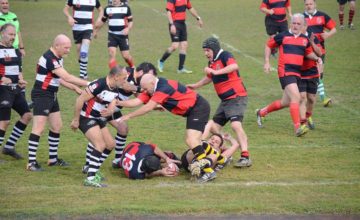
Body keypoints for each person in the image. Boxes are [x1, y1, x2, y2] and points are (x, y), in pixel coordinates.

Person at [112, 74, 215, 183]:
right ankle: (218, 161)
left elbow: (148, 107)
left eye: (146, 88)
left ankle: (208, 171)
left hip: (198, 107)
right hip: (194, 110)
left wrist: (129, 116)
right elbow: (136, 102)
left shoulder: (163, 87)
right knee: (196, 142)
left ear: (152, 83)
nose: (144, 91)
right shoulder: (152, 89)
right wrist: (119, 102)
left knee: (191, 140)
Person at [187, 37, 252, 168]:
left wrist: (215, 71)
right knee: (212, 126)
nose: (206, 53)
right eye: (204, 51)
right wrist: (196, 85)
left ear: (214, 49)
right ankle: (227, 150)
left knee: (235, 125)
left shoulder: (224, 55)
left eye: (208, 50)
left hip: (236, 97)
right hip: (225, 101)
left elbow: (234, 66)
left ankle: (245, 156)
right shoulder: (212, 61)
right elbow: (209, 77)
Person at [26, 34, 88, 172]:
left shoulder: (57, 58)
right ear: (57, 46)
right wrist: (90, 83)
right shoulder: (50, 58)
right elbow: (66, 76)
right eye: (66, 47)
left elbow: (58, 79)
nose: (68, 50)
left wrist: (75, 88)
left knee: (56, 126)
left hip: (51, 94)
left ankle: (52, 160)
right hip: (42, 95)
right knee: (38, 128)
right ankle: (31, 163)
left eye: (69, 47)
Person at [82, 62, 158, 173]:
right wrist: (142, 88)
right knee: (98, 136)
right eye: (147, 76)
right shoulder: (127, 73)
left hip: (114, 107)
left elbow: (139, 98)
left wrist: (154, 105)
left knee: (123, 129)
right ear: (140, 72)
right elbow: (125, 86)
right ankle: (88, 164)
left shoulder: (138, 82)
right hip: (104, 107)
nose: (148, 79)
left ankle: (117, 160)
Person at [257, 13, 323, 137]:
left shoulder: (304, 39)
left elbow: (308, 53)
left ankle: (261, 112)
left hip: (297, 74)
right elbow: (268, 45)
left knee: (285, 102)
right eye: (293, 23)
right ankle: (298, 128)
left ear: (303, 25)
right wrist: (266, 62)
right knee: (296, 98)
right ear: (290, 23)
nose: (295, 26)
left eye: (298, 24)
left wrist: (317, 58)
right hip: (285, 71)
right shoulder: (283, 36)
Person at [71, 65, 128, 187]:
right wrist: (75, 120)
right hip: (86, 118)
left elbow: (113, 101)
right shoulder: (99, 84)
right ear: (116, 77)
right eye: (124, 78)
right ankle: (90, 178)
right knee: (100, 145)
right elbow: (80, 100)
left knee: (111, 144)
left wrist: (110, 111)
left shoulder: (114, 88)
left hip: (99, 119)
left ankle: (91, 169)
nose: (125, 81)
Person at [0, 24, 32, 159]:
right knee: (4, 122)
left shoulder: (16, 51)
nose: (13, 37)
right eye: (10, 34)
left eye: (14, 35)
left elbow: (19, 70)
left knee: (27, 116)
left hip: (16, 90)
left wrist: (21, 81)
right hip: (2, 90)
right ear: (2, 34)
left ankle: (9, 147)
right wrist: (1, 78)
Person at [303, 0, 337, 107]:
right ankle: (323, 98)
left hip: (319, 49)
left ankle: (314, 94)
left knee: (319, 74)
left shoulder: (322, 16)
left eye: (311, 4)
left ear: (315, 4)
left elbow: (334, 29)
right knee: (315, 73)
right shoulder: (301, 17)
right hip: (306, 50)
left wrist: (327, 35)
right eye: (307, 4)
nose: (309, 6)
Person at [157, 0, 203, 74]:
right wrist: (172, 24)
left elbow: (190, 8)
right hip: (174, 24)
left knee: (184, 45)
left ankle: (180, 68)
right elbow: (168, 12)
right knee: (175, 46)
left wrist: (198, 18)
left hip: (182, 24)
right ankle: (161, 61)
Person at [63, 0, 103, 79]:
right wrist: (69, 17)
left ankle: (82, 76)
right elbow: (65, 9)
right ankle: (84, 72)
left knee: (84, 49)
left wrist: (99, 18)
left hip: (88, 27)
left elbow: (101, 10)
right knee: (79, 50)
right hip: (76, 28)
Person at [94, 0, 134, 68]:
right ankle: (114, 74)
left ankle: (132, 67)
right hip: (112, 35)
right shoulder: (107, 9)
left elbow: (130, 21)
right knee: (111, 53)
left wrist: (128, 29)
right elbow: (102, 21)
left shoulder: (126, 8)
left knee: (126, 56)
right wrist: (95, 30)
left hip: (123, 36)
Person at [299, 22, 323, 130]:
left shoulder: (312, 37)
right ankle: (302, 122)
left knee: (312, 98)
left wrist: (312, 42)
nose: (299, 27)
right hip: (299, 72)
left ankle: (308, 116)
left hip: (312, 72)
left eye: (302, 25)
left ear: (306, 26)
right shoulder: (295, 38)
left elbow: (320, 53)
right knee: (302, 97)